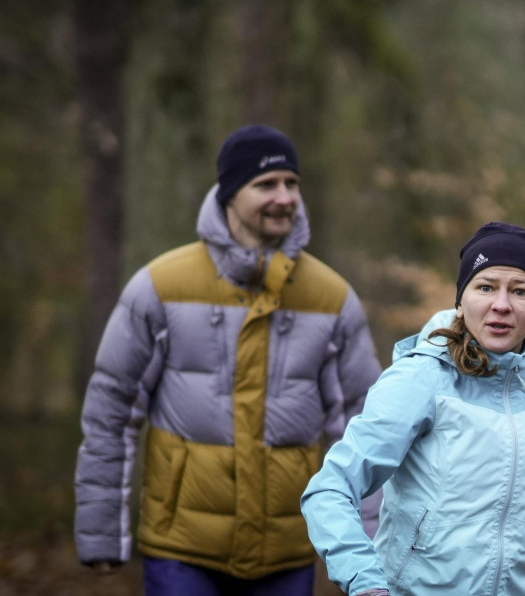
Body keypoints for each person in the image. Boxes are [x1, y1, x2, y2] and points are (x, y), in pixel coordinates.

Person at [74, 124, 383, 595]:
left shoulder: (333, 297)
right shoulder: (159, 287)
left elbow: (366, 429)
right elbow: (110, 410)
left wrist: (372, 544)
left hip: (287, 552)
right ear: (229, 195)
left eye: (292, 184)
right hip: (182, 551)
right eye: (266, 185)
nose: (285, 197)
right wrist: (100, 531)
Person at [301, 222, 525, 596]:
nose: (502, 305)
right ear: (461, 300)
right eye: (486, 286)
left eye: (520, 291)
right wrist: (366, 583)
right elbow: (330, 489)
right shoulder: (420, 379)